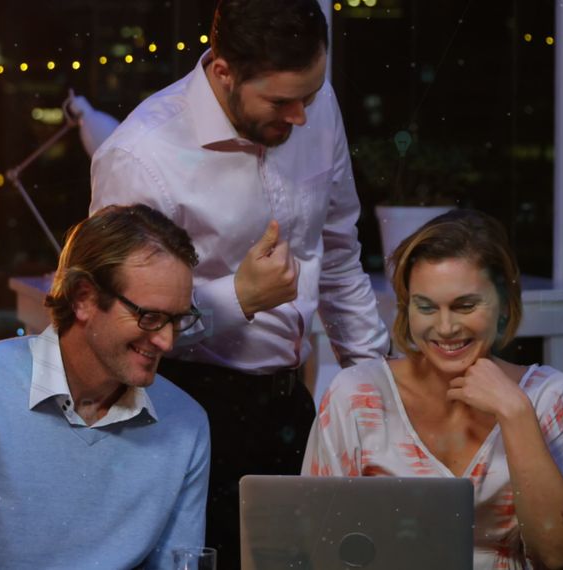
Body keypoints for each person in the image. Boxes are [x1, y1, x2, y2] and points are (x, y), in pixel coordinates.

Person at [89, 0, 390, 563]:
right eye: (279, 101)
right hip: (182, 414)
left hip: (290, 408)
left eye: (311, 94)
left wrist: (382, 395)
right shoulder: (141, 157)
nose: (300, 116)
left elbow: (341, 254)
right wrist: (239, 298)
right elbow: (120, 329)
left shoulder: (313, 107)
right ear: (223, 71)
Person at [0, 205, 211, 569]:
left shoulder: (185, 423)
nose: (167, 341)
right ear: (84, 298)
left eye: (178, 319)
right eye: (149, 316)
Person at [302, 210, 563, 569]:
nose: (445, 327)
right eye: (426, 307)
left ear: (503, 305)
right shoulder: (356, 395)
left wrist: (515, 414)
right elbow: (316, 545)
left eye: (465, 305)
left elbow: (560, 556)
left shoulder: (551, 396)